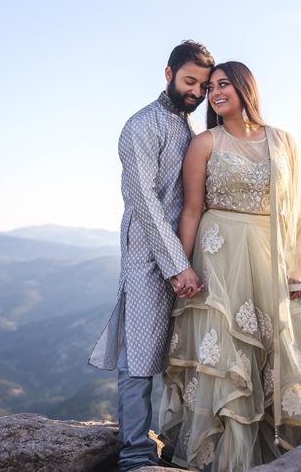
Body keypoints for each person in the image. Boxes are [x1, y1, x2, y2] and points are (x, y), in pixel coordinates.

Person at [158, 61, 301, 471]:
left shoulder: (283, 142)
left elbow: (298, 211)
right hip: (219, 259)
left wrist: (299, 268)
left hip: (269, 255)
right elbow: (191, 210)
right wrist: (180, 268)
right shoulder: (205, 143)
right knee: (229, 355)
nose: (215, 93)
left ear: (246, 88)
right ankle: (225, 456)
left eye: (223, 84)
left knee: (285, 347)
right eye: (210, 88)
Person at [88, 40, 215, 471]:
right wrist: (176, 264)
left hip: (187, 254)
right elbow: (143, 201)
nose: (196, 92)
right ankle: (135, 453)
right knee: (138, 355)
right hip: (147, 253)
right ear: (168, 74)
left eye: (202, 84)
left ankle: (180, 440)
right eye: (189, 81)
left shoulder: (188, 128)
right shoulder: (141, 126)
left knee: (186, 351)